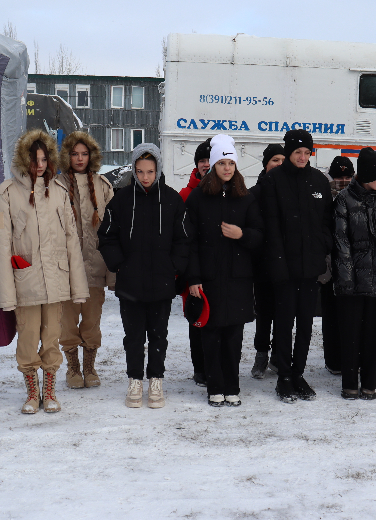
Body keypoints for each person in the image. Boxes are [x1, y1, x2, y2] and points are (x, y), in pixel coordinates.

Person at [0, 129, 89, 414]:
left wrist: (78, 286)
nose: (41, 165)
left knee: (52, 337)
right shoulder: (6, 193)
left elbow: (72, 241)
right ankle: (32, 392)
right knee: (28, 336)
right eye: (35, 159)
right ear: (24, 160)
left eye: (45, 159)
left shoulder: (59, 192)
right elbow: (1, 244)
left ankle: (49, 391)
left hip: (56, 280)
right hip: (26, 281)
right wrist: (7, 294)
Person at [98, 143, 190, 409]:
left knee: (159, 335)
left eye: (150, 171)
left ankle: (156, 379)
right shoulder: (122, 199)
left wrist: (173, 267)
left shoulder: (172, 199)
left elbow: (183, 240)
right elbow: (107, 236)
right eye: (139, 171)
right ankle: (135, 380)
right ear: (134, 171)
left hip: (161, 283)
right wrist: (119, 265)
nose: (145, 177)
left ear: (158, 170)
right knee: (134, 336)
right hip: (130, 284)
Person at [186, 134, 264, 407]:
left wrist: (241, 233)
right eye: (222, 163)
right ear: (214, 166)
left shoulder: (246, 199)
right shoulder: (197, 198)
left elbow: (259, 237)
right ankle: (214, 387)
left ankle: (232, 387)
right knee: (211, 335)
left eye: (231, 163)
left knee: (233, 336)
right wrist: (193, 278)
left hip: (238, 280)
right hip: (208, 279)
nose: (227, 168)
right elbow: (189, 242)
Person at [261, 128, 332, 403]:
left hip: (310, 266)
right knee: (283, 323)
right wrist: (277, 263)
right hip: (284, 268)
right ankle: (284, 377)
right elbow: (271, 227)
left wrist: (323, 245)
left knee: (305, 323)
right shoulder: (274, 181)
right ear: (289, 152)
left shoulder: (318, 181)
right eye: (297, 152)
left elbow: (326, 220)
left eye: (306, 152)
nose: (302, 157)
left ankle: (299, 373)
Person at [333, 148, 376, 400]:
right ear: (367, 175)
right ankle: (350, 383)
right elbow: (341, 241)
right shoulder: (343, 199)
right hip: (350, 281)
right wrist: (347, 277)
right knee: (351, 333)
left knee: (373, 333)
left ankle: (369, 383)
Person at [57, 131, 115, 389]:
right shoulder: (56, 185)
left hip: (95, 267)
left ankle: (90, 366)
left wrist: (113, 271)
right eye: (74, 154)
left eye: (84, 154)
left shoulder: (103, 186)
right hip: (65, 271)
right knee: (67, 323)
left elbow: (114, 231)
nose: (79, 158)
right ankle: (73, 368)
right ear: (66, 156)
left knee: (91, 322)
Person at [250, 143, 285, 379]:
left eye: (283, 160)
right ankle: (261, 354)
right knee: (263, 313)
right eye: (275, 160)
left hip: (287, 262)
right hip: (262, 263)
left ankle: (279, 357)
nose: (279, 165)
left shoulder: (291, 189)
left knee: (284, 312)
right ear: (266, 164)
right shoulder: (255, 192)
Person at [179, 138, 211, 388]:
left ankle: (215, 366)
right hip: (193, 270)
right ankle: (200, 368)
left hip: (217, 269)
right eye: (202, 160)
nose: (206, 164)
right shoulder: (185, 194)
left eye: (210, 160)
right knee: (197, 318)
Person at [322, 155, 355, 375]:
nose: (342, 180)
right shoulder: (322, 196)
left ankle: (350, 357)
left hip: (351, 264)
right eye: (338, 176)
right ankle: (333, 360)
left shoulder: (355, 197)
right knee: (331, 315)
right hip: (327, 265)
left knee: (350, 316)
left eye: (346, 176)